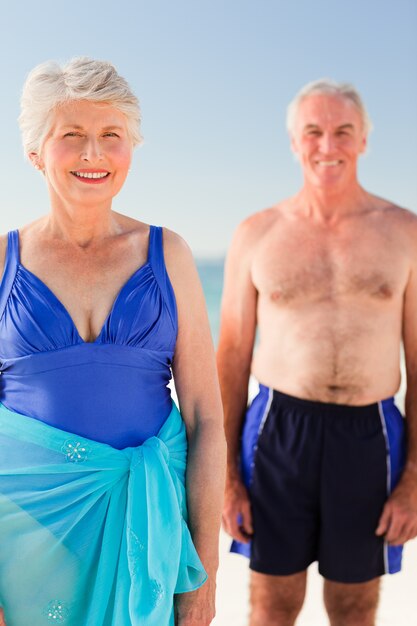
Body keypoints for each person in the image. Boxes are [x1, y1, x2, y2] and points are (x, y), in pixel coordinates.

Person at [0, 57, 225, 626]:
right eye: (71, 136)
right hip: (26, 534)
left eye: (111, 136)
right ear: (35, 152)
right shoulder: (1, 261)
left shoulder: (167, 253)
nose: (93, 154)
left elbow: (206, 420)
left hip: (148, 533)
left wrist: (203, 576)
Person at [217, 78, 417, 626]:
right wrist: (227, 476)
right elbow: (231, 356)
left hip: (370, 433)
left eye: (342, 132)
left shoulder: (405, 232)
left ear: (364, 141)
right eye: (313, 132)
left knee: (354, 606)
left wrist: (414, 480)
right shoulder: (257, 233)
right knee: (271, 603)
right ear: (293, 142)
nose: (327, 146)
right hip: (278, 429)